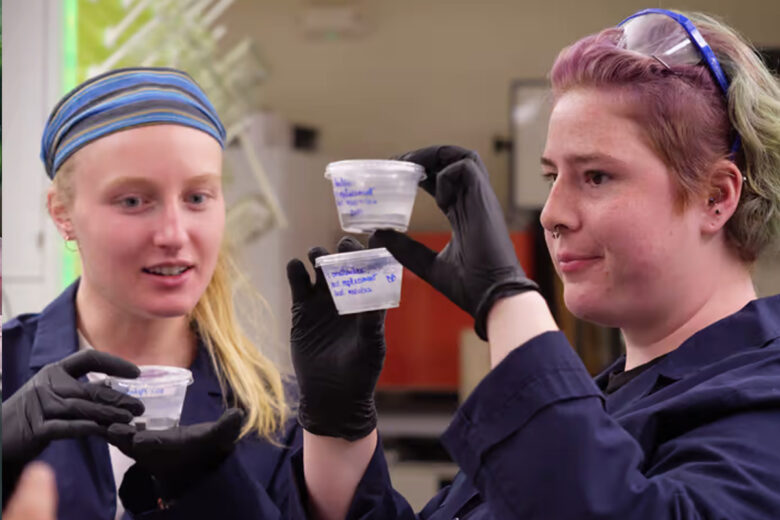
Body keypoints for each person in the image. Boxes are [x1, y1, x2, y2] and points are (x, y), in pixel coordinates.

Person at [286, 8, 780, 519]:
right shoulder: (588, 406)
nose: (552, 214)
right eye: (552, 177)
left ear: (715, 198)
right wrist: (338, 426)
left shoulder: (765, 400)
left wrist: (506, 297)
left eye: (596, 177)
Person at [2, 67, 301, 520]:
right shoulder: (6, 371)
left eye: (197, 197)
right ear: (62, 212)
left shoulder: (275, 412)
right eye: (132, 201)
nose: (173, 234)